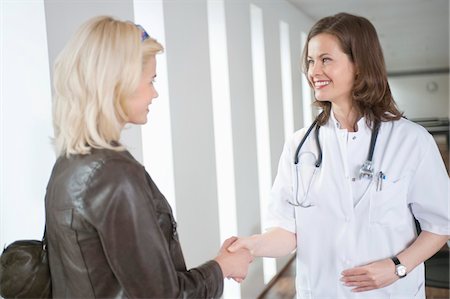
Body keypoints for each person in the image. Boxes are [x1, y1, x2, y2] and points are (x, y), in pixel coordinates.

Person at [229, 12, 449, 298]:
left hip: (390, 292)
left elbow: (441, 224)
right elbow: (287, 231)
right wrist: (252, 245)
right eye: (310, 61)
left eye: (325, 60)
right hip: (322, 290)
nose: (313, 71)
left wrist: (397, 267)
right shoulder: (300, 147)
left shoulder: (411, 140)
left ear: (359, 64)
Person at [45, 15, 252, 298]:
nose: (154, 93)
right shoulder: (113, 175)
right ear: (118, 83)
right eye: (151, 80)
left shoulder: (67, 165)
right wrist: (222, 266)